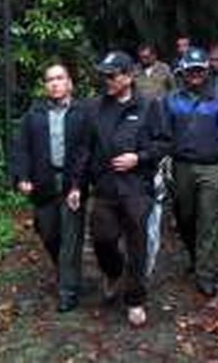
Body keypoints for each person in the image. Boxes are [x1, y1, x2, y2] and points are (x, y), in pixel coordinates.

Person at [68, 50, 166, 327]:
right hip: (106, 188)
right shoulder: (95, 108)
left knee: (138, 246)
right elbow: (85, 150)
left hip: (137, 189)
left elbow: (163, 144)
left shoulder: (148, 106)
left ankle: (135, 299)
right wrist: (76, 184)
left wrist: (140, 157)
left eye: (111, 75)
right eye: (103, 75)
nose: (107, 80)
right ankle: (112, 272)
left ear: (128, 76)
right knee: (103, 239)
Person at [159, 47, 218, 297]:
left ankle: (205, 273)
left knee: (208, 219)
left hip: (212, 167)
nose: (195, 74)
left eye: (200, 70)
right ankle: (196, 257)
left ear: (206, 71)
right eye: (191, 70)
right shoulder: (171, 100)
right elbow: (162, 135)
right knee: (185, 217)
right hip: (181, 166)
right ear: (183, 72)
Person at [12, 63, 88, 313]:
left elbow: (85, 152)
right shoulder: (34, 114)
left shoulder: (82, 113)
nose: (54, 83)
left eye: (59, 78)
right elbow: (21, 147)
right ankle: (67, 270)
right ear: (45, 86)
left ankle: (68, 291)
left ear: (69, 83)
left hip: (71, 183)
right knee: (47, 232)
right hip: (43, 183)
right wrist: (22, 176)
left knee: (71, 238)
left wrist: (78, 184)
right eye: (49, 80)